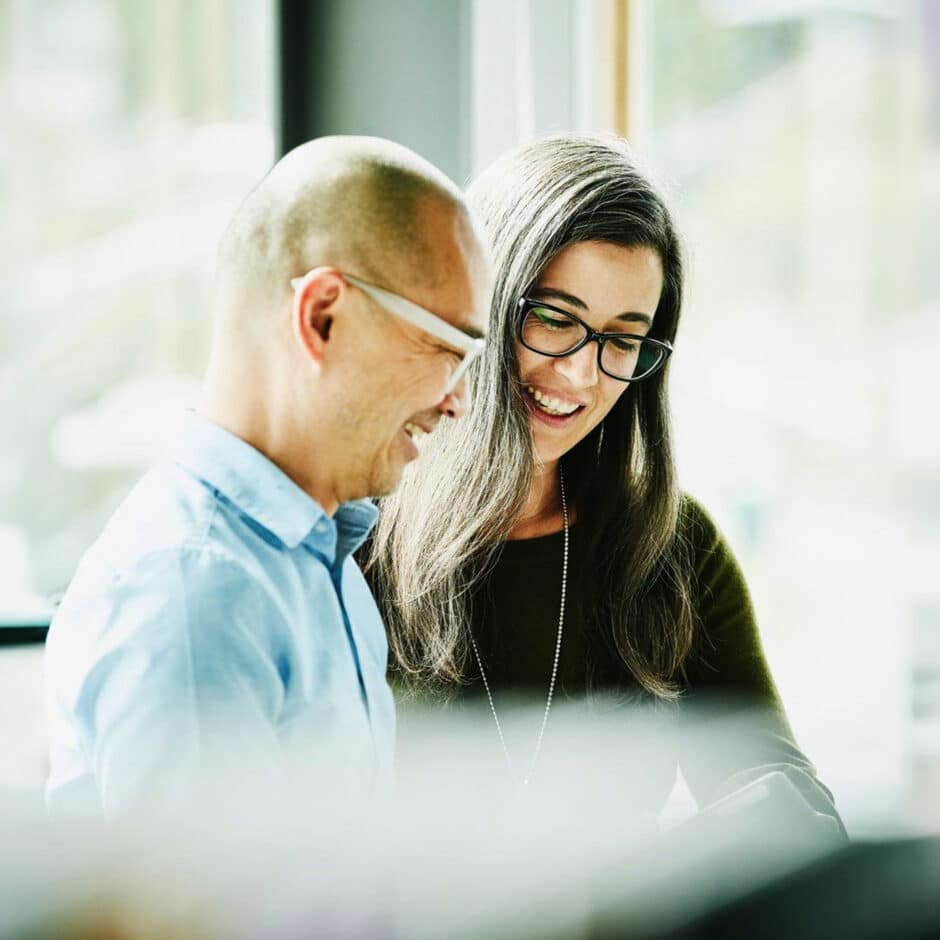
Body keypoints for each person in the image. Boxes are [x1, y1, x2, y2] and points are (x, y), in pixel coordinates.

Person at [366, 134, 844, 830]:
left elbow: (792, 809)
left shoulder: (669, 546)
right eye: (556, 320)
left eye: (623, 339)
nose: (583, 377)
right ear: (480, 305)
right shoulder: (352, 533)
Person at [44, 136, 491, 817]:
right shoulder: (197, 596)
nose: (459, 399)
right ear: (323, 318)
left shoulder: (320, 560)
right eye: (446, 348)